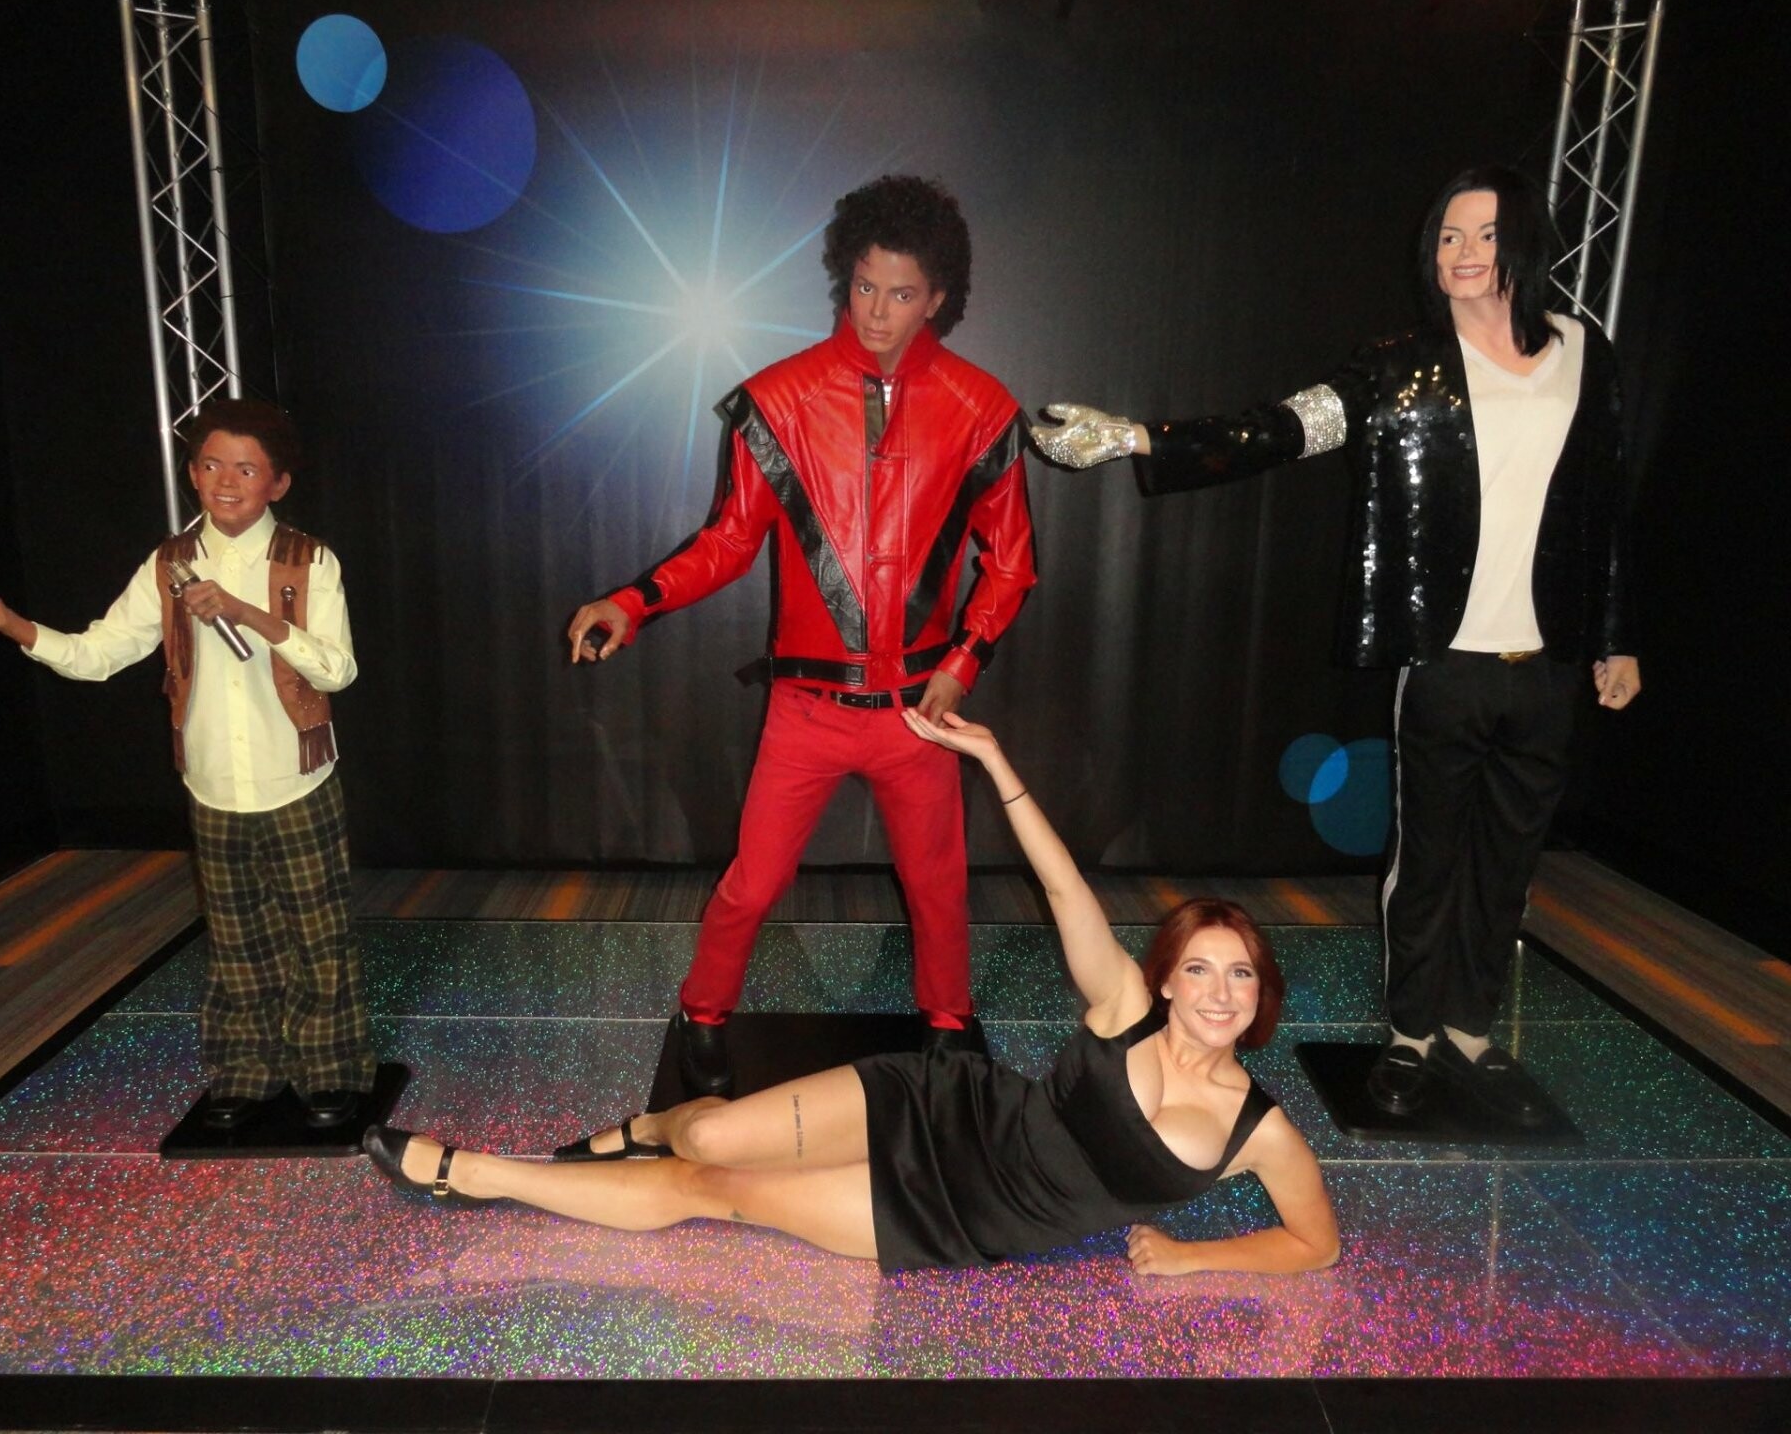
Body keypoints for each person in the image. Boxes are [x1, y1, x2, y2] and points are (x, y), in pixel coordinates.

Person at [1031, 165, 1641, 1126]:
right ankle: (1410, 1036)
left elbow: (1605, 505)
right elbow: (1280, 429)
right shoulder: (1402, 366)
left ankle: (1470, 1033)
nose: (1462, 254)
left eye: (1484, 234)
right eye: (1448, 236)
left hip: (1550, 663)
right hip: (1444, 659)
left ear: (1524, 241)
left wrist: (1615, 637)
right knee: (1427, 860)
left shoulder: (1584, 354)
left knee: (1508, 862)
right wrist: (1141, 439)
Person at [365, 711, 1338, 1276]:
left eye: (1240, 973)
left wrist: (1191, 1257)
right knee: (706, 1135)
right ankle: (648, 1128)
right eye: (1200, 967)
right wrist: (993, 760)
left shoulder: (1262, 1131)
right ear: (1165, 976)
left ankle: (479, 1174)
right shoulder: (1125, 1006)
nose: (1218, 992)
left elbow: (1315, 1245)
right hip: (940, 1104)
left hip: (957, 1214)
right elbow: (1060, 888)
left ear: (1262, 995)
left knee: (714, 1190)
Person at [565, 175, 1037, 1092]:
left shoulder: (980, 407)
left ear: (937, 298)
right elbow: (728, 541)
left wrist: (964, 661)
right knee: (752, 881)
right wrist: (633, 600)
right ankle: (704, 1014)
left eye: (901, 293)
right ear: (843, 277)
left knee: (939, 885)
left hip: (918, 711)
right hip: (808, 708)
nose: (877, 312)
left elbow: (1011, 564)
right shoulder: (780, 400)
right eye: (864, 286)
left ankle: (948, 1023)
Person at [0, 399, 374, 1131]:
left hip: (298, 780)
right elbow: (99, 654)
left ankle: (329, 1071)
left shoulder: (309, 560)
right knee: (234, 939)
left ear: (278, 482)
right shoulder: (169, 563)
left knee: (319, 939)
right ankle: (247, 1072)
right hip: (211, 783)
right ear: (192, 474)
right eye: (211, 465)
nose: (226, 481)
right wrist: (11, 624)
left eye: (247, 469)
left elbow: (338, 671)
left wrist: (250, 613)